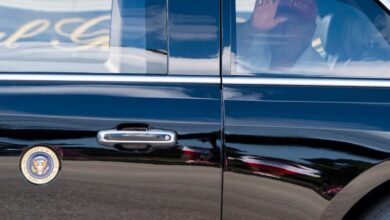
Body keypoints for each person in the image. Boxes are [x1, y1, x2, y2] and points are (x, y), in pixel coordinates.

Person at [235, 0, 325, 74]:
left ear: (311, 30)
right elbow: (224, 47)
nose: (286, 29)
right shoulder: (254, 40)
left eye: (295, 23)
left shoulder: (319, 72)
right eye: (281, 20)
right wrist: (252, 27)